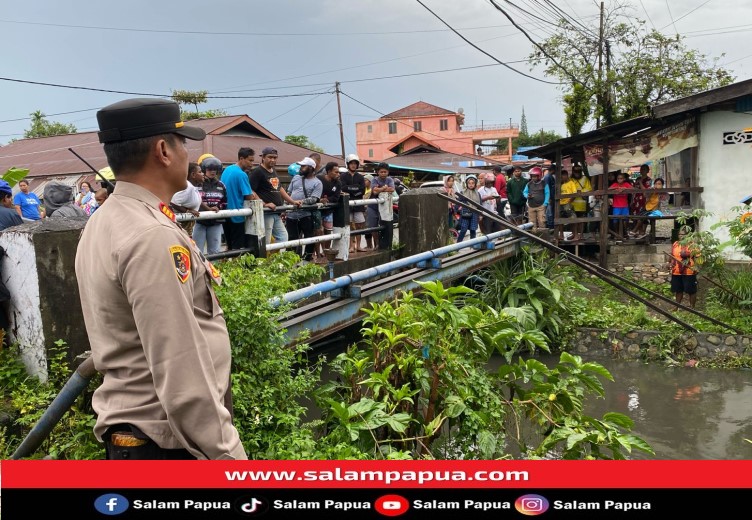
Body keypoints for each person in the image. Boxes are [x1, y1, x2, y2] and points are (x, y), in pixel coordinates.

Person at [75, 97, 247, 460]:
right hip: (165, 440)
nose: (188, 154)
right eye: (184, 143)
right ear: (163, 150)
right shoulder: (150, 234)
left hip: (138, 433)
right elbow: (180, 364)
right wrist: (227, 457)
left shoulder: (106, 219)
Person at [250, 147, 299, 246]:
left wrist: (292, 201)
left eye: (275, 157)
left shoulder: (273, 171)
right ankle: (265, 261)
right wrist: (264, 204)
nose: (272, 160)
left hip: (276, 212)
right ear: (263, 157)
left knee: (283, 237)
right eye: (270, 157)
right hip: (266, 213)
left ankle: (276, 260)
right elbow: (251, 190)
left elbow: (279, 188)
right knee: (265, 241)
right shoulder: (257, 172)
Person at [285, 157, 322, 261]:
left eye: (303, 166)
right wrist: (286, 206)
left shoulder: (317, 183)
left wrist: (302, 202)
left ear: (311, 168)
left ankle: (306, 259)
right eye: (300, 166)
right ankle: (291, 260)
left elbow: (315, 198)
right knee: (292, 239)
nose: (300, 168)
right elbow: (288, 193)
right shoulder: (296, 178)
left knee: (309, 238)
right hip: (291, 215)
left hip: (306, 215)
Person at [220, 147, 256, 250]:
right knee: (238, 248)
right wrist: (253, 195)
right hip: (237, 215)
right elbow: (249, 196)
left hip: (225, 213)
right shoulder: (242, 174)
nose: (251, 163)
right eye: (250, 160)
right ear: (241, 158)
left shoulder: (227, 169)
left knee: (229, 246)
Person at [193, 157, 227, 255]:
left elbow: (225, 202)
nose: (212, 172)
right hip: (199, 221)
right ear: (204, 170)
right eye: (209, 169)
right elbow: (194, 200)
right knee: (197, 250)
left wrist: (219, 208)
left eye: (215, 169)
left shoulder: (222, 185)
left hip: (215, 222)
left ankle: (214, 269)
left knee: (215, 251)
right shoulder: (198, 184)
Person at [340, 154, 367, 252]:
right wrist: (355, 188)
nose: (353, 165)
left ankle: (358, 246)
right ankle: (351, 246)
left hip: (358, 204)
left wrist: (351, 190)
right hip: (347, 204)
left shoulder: (360, 176)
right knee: (349, 225)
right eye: (351, 163)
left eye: (355, 163)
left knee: (360, 225)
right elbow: (343, 188)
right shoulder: (343, 176)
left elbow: (362, 190)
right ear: (348, 164)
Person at [670, 227, 701, 309]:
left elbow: (698, 257)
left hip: (689, 271)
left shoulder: (692, 245)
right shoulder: (675, 244)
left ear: (688, 235)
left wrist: (696, 267)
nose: (681, 236)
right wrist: (669, 263)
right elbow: (672, 256)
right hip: (676, 271)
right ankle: (677, 307)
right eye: (680, 234)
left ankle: (692, 308)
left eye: (683, 234)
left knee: (691, 290)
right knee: (678, 290)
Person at [170, 162, 203, 234]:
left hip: (187, 224)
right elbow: (173, 202)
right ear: (193, 175)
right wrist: (187, 211)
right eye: (200, 172)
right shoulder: (188, 187)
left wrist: (209, 209)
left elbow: (198, 201)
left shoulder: (192, 187)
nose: (203, 174)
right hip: (181, 225)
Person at [317, 162, 342, 252]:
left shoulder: (338, 183)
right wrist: (319, 200)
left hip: (329, 210)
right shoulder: (319, 179)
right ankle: (317, 253)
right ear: (328, 171)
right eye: (336, 172)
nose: (338, 174)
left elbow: (336, 197)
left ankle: (326, 250)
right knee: (318, 231)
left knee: (328, 231)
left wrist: (327, 200)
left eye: (338, 172)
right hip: (317, 210)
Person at [370, 163, 395, 250]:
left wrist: (379, 189)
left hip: (385, 207)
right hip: (373, 206)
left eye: (385, 172)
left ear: (388, 172)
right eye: (381, 172)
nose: (383, 173)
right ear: (378, 172)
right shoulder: (374, 180)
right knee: (373, 226)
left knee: (384, 225)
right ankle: (377, 244)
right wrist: (384, 188)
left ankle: (383, 245)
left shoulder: (390, 179)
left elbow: (392, 189)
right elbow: (374, 192)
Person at [522, 167, 549, 232]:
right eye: (532, 176)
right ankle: (533, 237)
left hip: (541, 206)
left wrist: (545, 203)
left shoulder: (544, 184)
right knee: (531, 222)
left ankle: (543, 237)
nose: (533, 178)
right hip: (531, 206)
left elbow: (547, 193)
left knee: (541, 221)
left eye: (535, 176)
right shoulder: (529, 184)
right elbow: (524, 192)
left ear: (539, 176)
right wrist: (527, 195)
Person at [456, 174, 481, 243]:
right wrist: (457, 210)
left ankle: (473, 245)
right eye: (469, 183)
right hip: (465, 213)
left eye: (473, 183)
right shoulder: (462, 193)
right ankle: (457, 246)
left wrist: (480, 215)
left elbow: (479, 205)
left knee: (473, 230)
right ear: (466, 184)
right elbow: (458, 203)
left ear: (475, 184)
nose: (471, 185)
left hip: (474, 213)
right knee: (463, 229)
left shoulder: (478, 194)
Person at [569, 165, 592, 241]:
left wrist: (581, 192)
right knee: (573, 220)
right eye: (575, 171)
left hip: (582, 203)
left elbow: (589, 189)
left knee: (581, 219)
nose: (577, 173)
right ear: (573, 171)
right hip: (572, 203)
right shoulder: (570, 179)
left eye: (578, 171)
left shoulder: (585, 178)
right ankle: (574, 234)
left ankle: (581, 234)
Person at [609, 172, 632, 236]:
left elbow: (633, 189)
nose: (619, 180)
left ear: (624, 179)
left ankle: (625, 233)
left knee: (626, 219)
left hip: (625, 205)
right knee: (615, 220)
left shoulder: (626, 184)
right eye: (618, 178)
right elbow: (608, 189)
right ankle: (616, 233)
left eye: (621, 178)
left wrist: (625, 188)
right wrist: (616, 188)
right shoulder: (615, 184)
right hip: (616, 205)